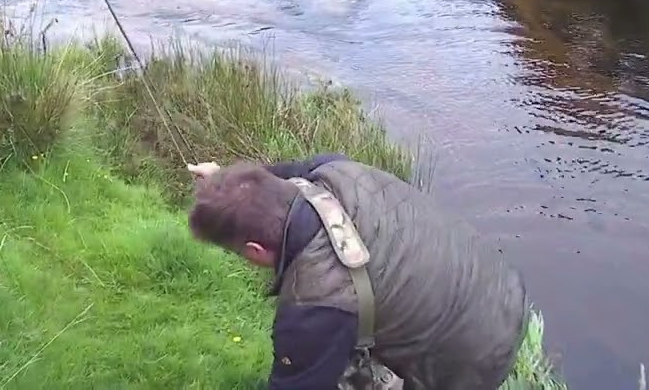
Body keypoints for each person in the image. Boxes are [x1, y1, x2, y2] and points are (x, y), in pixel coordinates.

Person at [186, 153, 529, 390]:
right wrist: (225, 184)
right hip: (498, 282)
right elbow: (274, 183)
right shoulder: (332, 168)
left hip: (475, 349)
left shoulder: (314, 301)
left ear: (254, 251)